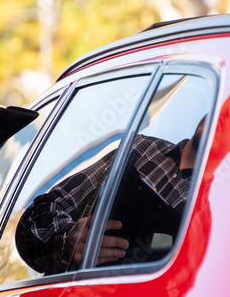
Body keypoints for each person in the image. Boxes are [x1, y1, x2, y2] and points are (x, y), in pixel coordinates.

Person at [16, 118, 206, 275]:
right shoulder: (141, 149)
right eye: (224, 102)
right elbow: (34, 221)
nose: (225, 111)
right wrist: (67, 239)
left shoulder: (217, 205)